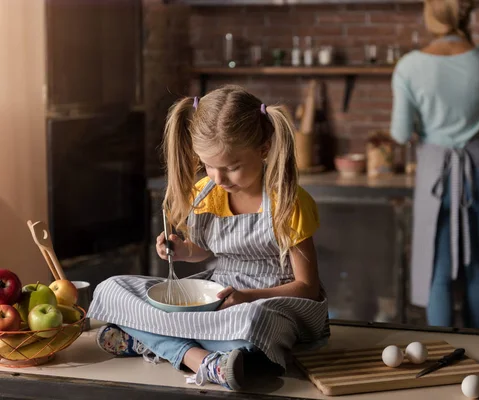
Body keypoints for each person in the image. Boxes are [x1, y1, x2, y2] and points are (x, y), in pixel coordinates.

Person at [87, 85, 330, 390]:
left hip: (267, 304)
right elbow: (204, 250)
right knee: (112, 289)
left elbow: (307, 288)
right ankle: (204, 359)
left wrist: (245, 298)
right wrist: (182, 250)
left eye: (232, 167)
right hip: (216, 300)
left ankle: (155, 339)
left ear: (264, 149)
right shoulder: (206, 193)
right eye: (209, 165)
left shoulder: (288, 203)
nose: (219, 178)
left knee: (252, 325)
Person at [390, 0, 479, 329]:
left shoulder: (409, 66)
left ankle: (443, 353)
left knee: (438, 269)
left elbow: (400, 132)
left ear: (430, 16)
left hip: (436, 172)